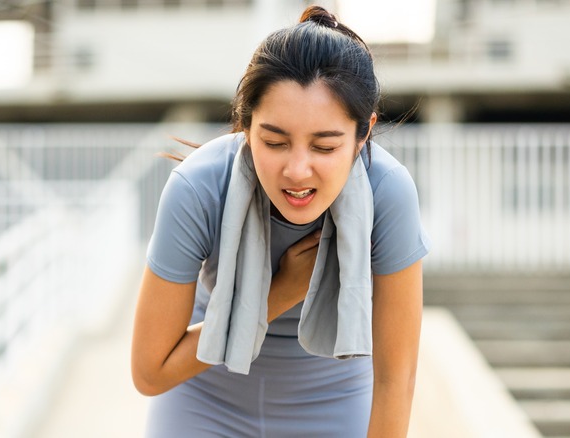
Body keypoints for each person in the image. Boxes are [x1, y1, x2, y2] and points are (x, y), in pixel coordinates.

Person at [131, 5, 430, 437]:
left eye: (324, 147)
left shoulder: (389, 193)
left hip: (335, 402)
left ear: (364, 133)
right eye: (274, 141)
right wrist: (280, 292)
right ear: (247, 127)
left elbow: (395, 381)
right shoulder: (197, 187)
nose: (297, 170)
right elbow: (149, 372)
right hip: (203, 398)